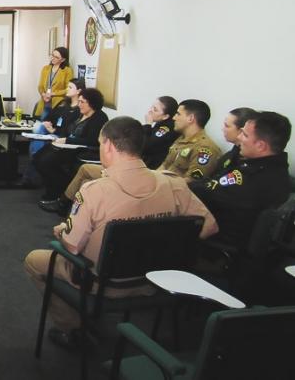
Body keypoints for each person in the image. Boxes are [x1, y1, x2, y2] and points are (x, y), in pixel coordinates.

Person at [24, 116, 218, 350]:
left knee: (34, 260)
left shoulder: (95, 190)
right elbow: (209, 227)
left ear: (107, 145)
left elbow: (73, 246)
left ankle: (73, 328)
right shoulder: (174, 184)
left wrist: (62, 231)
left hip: (103, 282)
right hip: (155, 280)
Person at [40, 95, 179, 214]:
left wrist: (148, 125)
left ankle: (64, 204)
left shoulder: (165, 128)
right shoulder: (158, 126)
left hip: (141, 172)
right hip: (133, 168)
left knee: (85, 174)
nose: (150, 111)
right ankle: (70, 209)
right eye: (151, 107)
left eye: (155, 109)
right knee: (85, 179)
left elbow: (145, 146)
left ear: (166, 116)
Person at [190, 111, 291, 252]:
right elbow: (213, 183)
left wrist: (177, 186)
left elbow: (207, 193)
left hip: (215, 245)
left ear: (261, 146)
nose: (239, 138)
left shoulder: (258, 179)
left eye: (245, 135)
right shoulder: (257, 165)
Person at [33, 88, 108, 203]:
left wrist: (67, 141)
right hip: (66, 146)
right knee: (37, 157)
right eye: (79, 101)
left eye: (82, 102)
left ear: (92, 103)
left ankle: (57, 192)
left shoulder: (99, 118)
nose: (79, 104)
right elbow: (67, 129)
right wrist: (55, 133)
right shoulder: (80, 113)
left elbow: (92, 141)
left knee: (46, 162)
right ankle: (54, 189)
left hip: (78, 150)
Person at [157, 99, 222, 181]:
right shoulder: (181, 139)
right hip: (162, 185)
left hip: (175, 191)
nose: (174, 118)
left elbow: (190, 181)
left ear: (190, 118)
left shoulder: (205, 148)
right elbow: (164, 165)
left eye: (178, 114)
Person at [214, 107, 258, 173]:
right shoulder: (231, 154)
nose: (223, 129)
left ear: (242, 131)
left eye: (227, 126)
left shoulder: (245, 162)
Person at [32, 47, 73, 117]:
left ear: (63, 59)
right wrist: (43, 94)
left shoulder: (67, 71)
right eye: (52, 55)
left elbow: (68, 89)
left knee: (51, 124)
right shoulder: (46, 68)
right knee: (41, 122)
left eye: (56, 57)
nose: (52, 58)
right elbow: (40, 86)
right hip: (44, 100)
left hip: (58, 103)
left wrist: (53, 94)